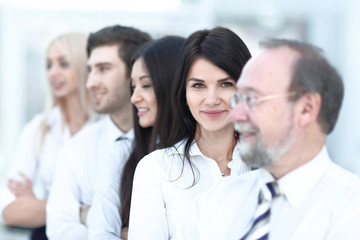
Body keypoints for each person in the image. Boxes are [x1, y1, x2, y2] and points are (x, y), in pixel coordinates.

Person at [195, 39, 360, 240]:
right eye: (238, 99)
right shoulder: (216, 201)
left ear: (306, 108)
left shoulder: (351, 211)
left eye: (252, 99)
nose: (236, 115)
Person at [128, 27, 252, 240]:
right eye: (198, 85)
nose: (211, 99)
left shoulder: (273, 166)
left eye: (225, 84)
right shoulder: (156, 170)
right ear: (183, 93)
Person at [46, 25, 151, 240]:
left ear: (136, 72)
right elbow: (59, 230)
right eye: (90, 70)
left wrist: (90, 216)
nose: (90, 82)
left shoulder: (171, 142)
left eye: (103, 69)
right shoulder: (77, 148)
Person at [87, 36, 186, 240]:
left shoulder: (206, 157)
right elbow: (101, 234)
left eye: (146, 85)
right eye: (133, 86)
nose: (134, 98)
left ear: (174, 85)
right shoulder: (121, 155)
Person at [0, 32, 93, 240]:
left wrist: (40, 206)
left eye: (64, 64)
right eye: (49, 65)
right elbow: (9, 211)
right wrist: (82, 212)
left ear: (84, 66)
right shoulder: (38, 129)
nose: (53, 72)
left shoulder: (107, 129)